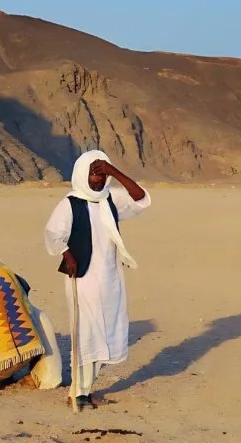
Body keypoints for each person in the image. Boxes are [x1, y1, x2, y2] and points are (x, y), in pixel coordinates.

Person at [43, 150, 152, 411]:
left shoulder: (110, 200)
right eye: (94, 174)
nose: (98, 180)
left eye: (101, 175)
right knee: (86, 332)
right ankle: (78, 392)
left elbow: (140, 198)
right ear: (82, 174)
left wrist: (113, 172)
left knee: (106, 332)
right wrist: (66, 253)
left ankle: (85, 389)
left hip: (110, 277)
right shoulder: (70, 203)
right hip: (83, 278)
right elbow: (53, 234)